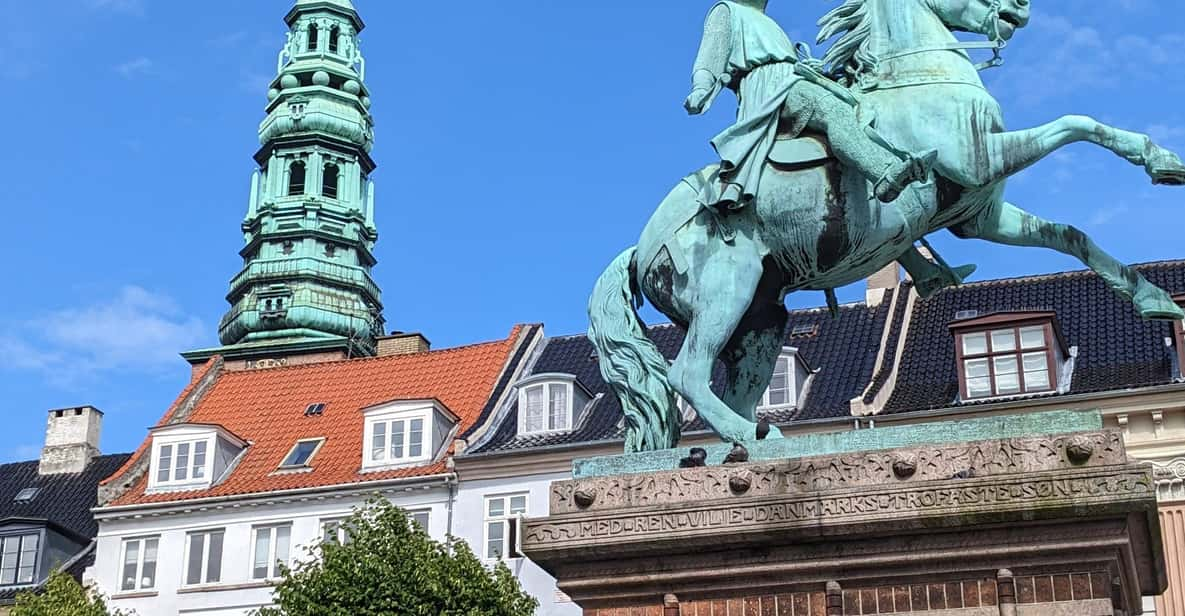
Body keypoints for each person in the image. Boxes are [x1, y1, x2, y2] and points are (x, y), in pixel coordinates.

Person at [686, 0, 938, 211]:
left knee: (860, 104)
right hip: (771, 88)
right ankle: (885, 174)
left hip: (794, 79)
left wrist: (810, 70)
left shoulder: (770, 23)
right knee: (833, 109)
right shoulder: (726, 10)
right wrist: (700, 89)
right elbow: (709, 58)